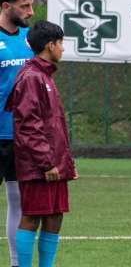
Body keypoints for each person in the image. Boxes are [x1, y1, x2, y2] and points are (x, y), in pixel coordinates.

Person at [5, 21, 77, 267]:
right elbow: (28, 125)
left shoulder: (43, 75)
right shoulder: (31, 77)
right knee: (32, 216)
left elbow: (52, 125)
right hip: (40, 165)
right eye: (61, 44)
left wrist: (66, 163)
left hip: (55, 163)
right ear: (50, 45)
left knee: (55, 216)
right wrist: (46, 162)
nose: (63, 49)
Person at [0, 0, 34, 267]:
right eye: (25, 6)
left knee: (18, 202)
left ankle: (15, 264)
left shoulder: (29, 39)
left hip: (19, 136)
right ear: (5, 6)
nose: (30, 11)